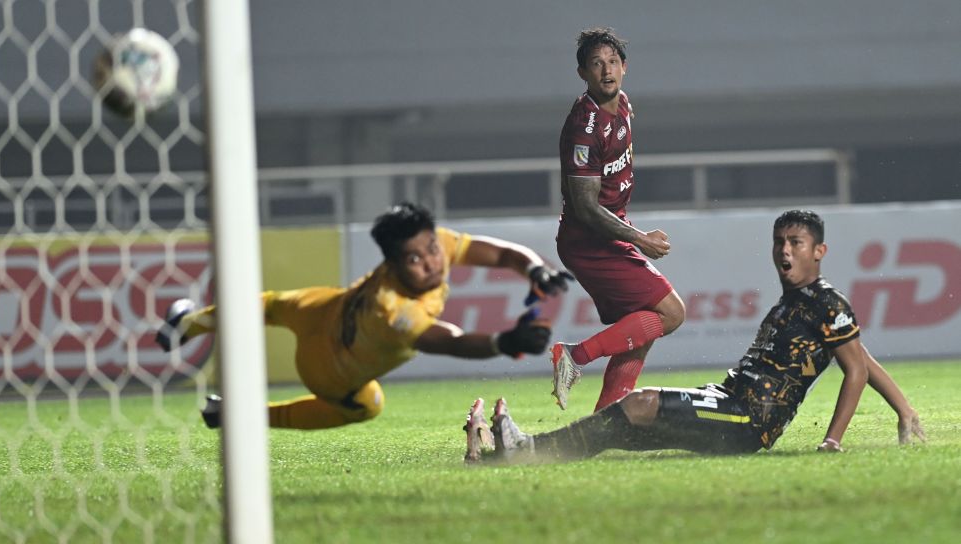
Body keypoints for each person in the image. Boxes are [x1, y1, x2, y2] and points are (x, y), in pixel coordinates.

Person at [464, 210, 926, 463]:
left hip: (748, 420)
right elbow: (861, 354)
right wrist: (905, 411)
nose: (784, 250)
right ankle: (519, 452)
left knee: (638, 404)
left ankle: (526, 443)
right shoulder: (795, 302)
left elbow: (856, 368)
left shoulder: (827, 301)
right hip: (727, 399)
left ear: (819, 251)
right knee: (623, 425)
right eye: (779, 242)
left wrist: (833, 441)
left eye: (796, 243)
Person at [157, 202, 573, 431]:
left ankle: (187, 324)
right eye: (414, 258)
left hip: (326, 307)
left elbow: (500, 253)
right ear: (392, 264)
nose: (431, 262)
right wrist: (505, 342)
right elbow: (448, 341)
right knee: (368, 404)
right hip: (328, 367)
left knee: (269, 304)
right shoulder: (391, 310)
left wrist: (536, 269)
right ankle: (232, 415)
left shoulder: (435, 246)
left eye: (431, 248)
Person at [552, 27, 686, 412]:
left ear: (624, 67)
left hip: (607, 236)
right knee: (671, 313)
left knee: (641, 329)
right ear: (583, 73)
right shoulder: (584, 129)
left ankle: (605, 421)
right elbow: (586, 208)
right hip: (588, 242)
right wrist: (639, 238)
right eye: (596, 64)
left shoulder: (624, 104)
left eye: (612, 62)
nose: (606, 71)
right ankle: (574, 356)